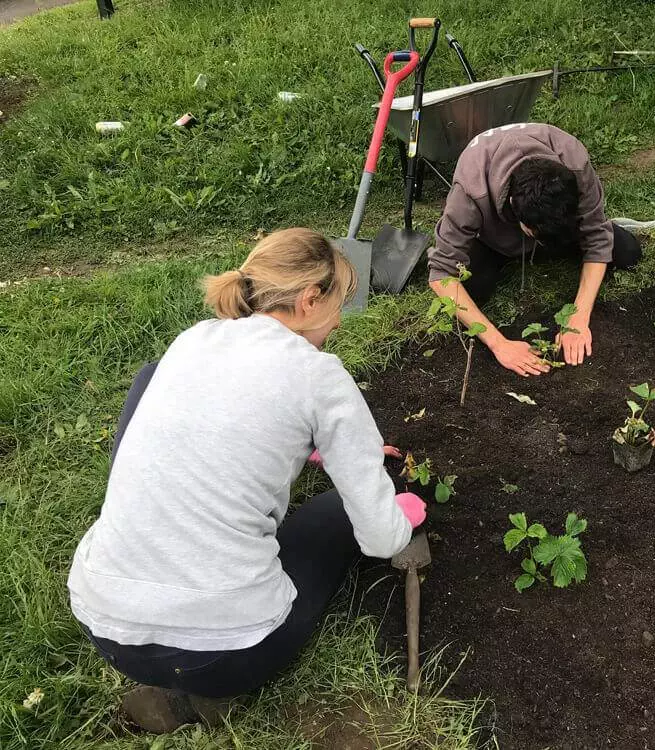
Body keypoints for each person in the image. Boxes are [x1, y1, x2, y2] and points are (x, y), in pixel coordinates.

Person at [67, 228, 426, 733]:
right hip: (225, 653)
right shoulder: (320, 376)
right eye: (340, 304)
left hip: (103, 623)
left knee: (150, 377)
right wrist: (395, 504)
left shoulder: (193, 340)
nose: (340, 320)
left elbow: (232, 416)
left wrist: (302, 441)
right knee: (335, 513)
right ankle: (213, 698)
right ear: (309, 300)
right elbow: (380, 537)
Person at [427, 123, 642, 376]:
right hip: (493, 240)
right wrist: (500, 344)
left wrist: (579, 316)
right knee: (474, 286)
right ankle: (511, 253)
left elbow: (596, 234)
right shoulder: (471, 189)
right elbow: (441, 275)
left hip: (556, 227)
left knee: (628, 253)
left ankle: (553, 241)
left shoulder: (573, 160)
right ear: (512, 206)